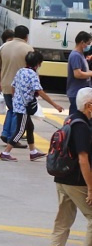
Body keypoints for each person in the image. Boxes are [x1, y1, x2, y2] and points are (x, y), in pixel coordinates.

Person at [1, 52, 63, 161]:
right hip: (24, 107)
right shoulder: (33, 74)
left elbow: (13, 87)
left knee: (30, 127)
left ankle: (33, 152)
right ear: (38, 63)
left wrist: (16, 99)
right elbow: (40, 91)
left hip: (18, 104)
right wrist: (55, 105)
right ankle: (5, 152)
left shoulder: (20, 71)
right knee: (20, 131)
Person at [51, 87, 92, 246]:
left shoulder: (70, 119)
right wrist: (90, 188)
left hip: (61, 178)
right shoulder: (81, 126)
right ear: (89, 106)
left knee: (62, 222)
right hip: (75, 181)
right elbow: (83, 159)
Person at [0, 25, 34, 145]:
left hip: (6, 84)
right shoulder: (28, 49)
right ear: (26, 36)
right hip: (21, 87)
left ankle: (6, 133)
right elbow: (32, 69)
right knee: (18, 112)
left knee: (11, 109)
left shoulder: (4, 47)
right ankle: (12, 138)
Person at [68, 32, 92, 115]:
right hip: (77, 93)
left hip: (81, 92)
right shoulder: (75, 55)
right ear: (82, 42)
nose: (88, 46)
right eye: (88, 43)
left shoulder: (81, 55)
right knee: (75, 117)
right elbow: (77, 74)